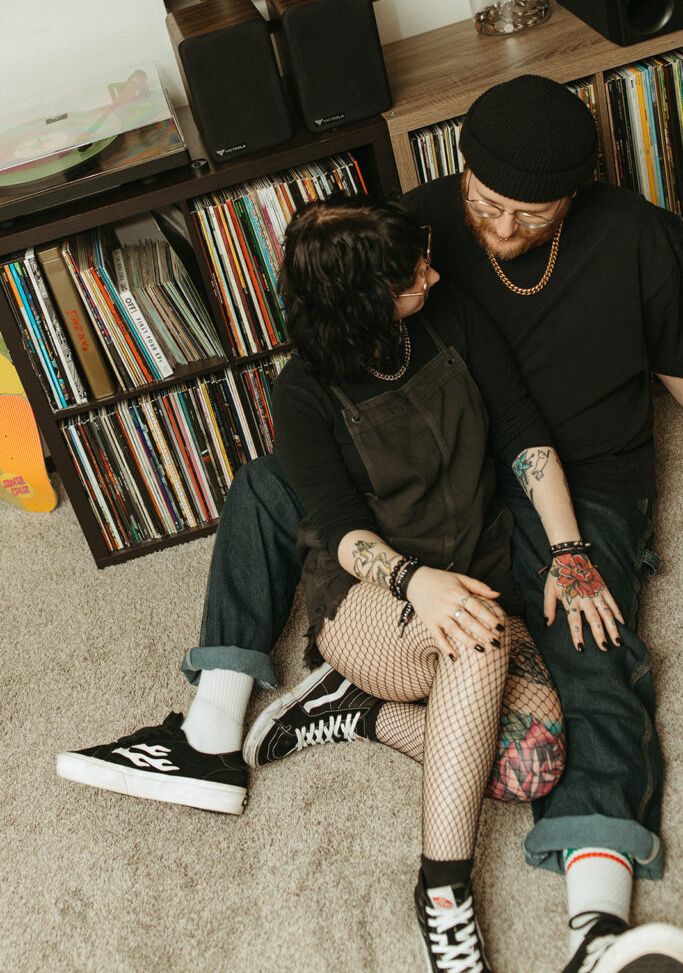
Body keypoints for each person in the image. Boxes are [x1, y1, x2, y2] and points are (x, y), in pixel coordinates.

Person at [57, 75, 683, 973]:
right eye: (485, 204)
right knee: (273, 483)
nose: (499, 232)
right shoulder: (411, 236)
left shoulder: (641, 240)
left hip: (578, 475)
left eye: (529, 215)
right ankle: (210, 730)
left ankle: (598, 927)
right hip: (432, 451)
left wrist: (575, 552)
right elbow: (343, 378)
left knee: (593, 650)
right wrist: (398, 568)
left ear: (574, 197)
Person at [238, 192, 620, 971]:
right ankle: (444, 895)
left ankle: (356, 716)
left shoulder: (450, 321)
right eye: (414, 273)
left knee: (529, 768)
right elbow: (340, 529)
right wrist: (417, 583)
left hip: (473, 582)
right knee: (474, 636)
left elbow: (520, 431)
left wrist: (570, 554)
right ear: (364, 299)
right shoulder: (302, 392)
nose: (435, 274)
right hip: (371, 603)